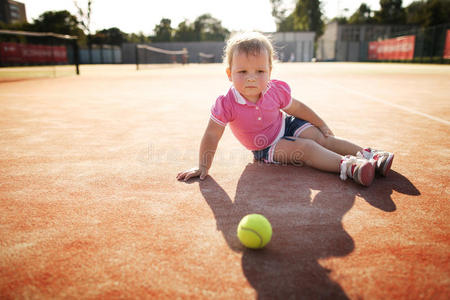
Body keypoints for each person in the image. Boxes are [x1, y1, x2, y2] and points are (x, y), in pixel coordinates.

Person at [177, 31, 394, 186]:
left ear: (270, 72)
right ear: (229, 74)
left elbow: (298, 108)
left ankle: (368, 155)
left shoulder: (275, 90)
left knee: (319, 137)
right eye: (242, 71)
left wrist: (321, 124)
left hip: (285, 125)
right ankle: (350, 167)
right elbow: (212, 134)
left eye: (259, 71)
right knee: (307, 149)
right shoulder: (226, 103)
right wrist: (203, 167)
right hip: (265, 146)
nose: (251, 78)